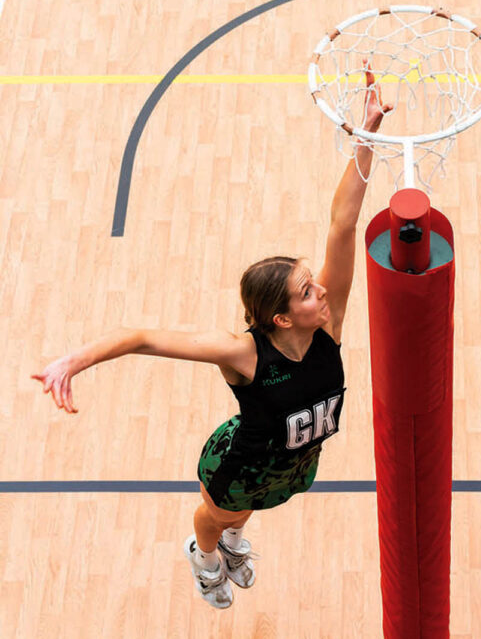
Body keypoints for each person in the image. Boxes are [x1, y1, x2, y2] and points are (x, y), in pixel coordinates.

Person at [31, 71, 392, 609]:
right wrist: (70, 362)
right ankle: (204, 555)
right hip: (238, 465)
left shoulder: (326, 324)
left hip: (296, 463)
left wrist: (366, 134)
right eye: (306, 290)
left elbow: (342, 225)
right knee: (218, 512)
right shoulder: (244, 354)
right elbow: (143, 338)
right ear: (282, 319)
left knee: (241, 516)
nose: (323, 290)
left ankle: (230, 540)